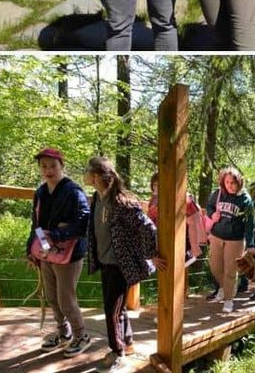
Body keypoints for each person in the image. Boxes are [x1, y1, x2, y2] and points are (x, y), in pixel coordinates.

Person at [85, 156, 166, 372]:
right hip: (105, 262)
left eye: (87, 171)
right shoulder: (97, 198)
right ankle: (127, 343)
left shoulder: (121, 202)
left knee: (112, 310)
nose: (84, 174)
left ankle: (118, 353)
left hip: (120, 265)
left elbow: (148, 228)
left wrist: (151, 254)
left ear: (96, 176)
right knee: (117, 308)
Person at [25, 148, 91, 356]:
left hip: (69, 254)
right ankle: (64, 333)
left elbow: (83, 222)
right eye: (44, 166)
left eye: (53, 165)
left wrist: (58, 234)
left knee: (66, 299)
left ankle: (82, 336)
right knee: (52, 297)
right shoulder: (41, 192)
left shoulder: (73, 191)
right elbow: (36, 224)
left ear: (62, 166)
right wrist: (31, 250)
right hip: (46, 253)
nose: (48, 170)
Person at [205, 166, 255, 313]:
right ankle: (223, 288)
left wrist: (250, 244)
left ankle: (228, 300)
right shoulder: (218, 193)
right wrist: (212, 214)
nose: (230, 185)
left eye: (233, 182)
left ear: (239, 182)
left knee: (230, 271)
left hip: (235, 240)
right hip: (216, 236)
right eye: (227, 182)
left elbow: (250, 224)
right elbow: (209, 206)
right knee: (215, 267)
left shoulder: (245, 200)